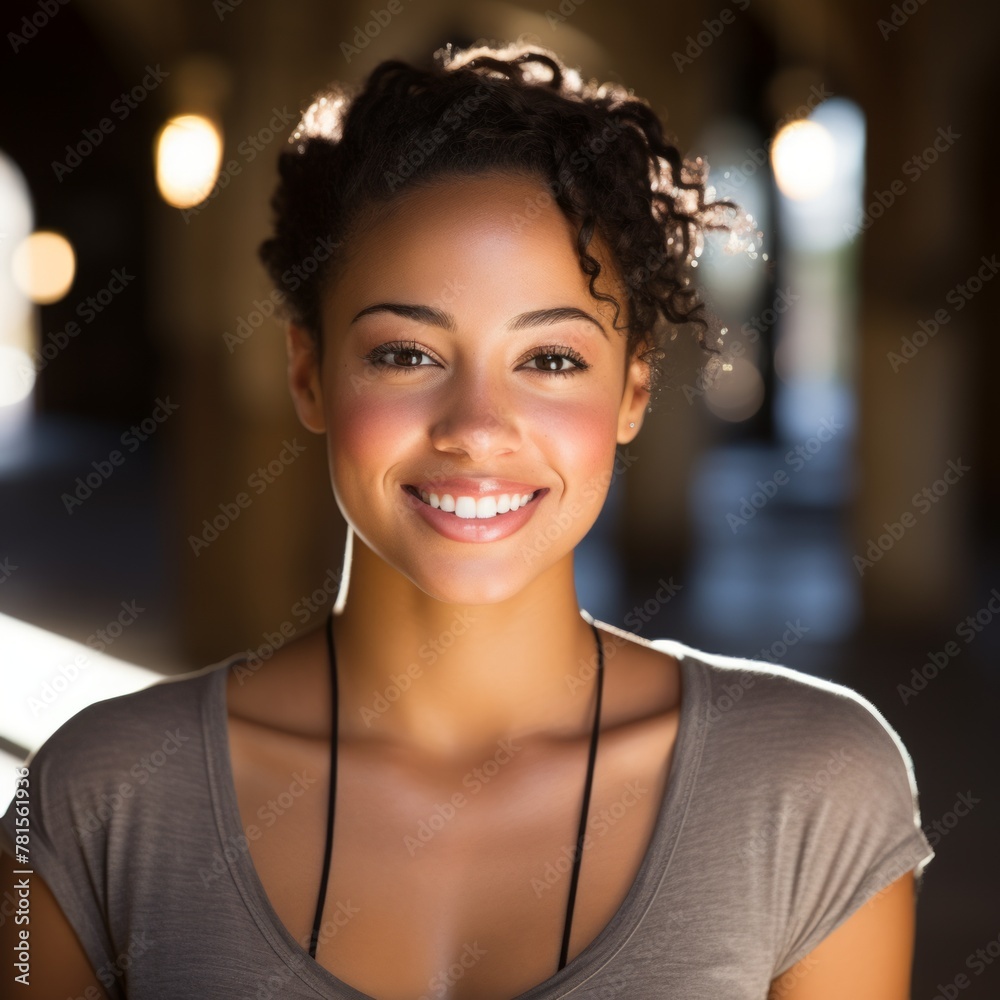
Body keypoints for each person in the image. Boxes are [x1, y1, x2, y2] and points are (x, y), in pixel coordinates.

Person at [0, 41, 933, 1000]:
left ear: (634, 389)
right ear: (308, 372)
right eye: (406, 355)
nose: (477, 430)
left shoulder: (812, 789)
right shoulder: (90, 801)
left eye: (553, 360)